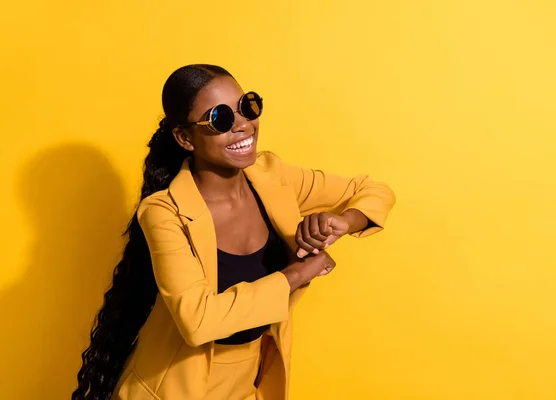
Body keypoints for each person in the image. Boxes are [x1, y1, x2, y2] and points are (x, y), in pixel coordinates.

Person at [72, 64, 396, 400]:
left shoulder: (274, 178)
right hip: (171, 391)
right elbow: (199, 321)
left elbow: (372, 189)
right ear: (185, 138)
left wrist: (345, 221)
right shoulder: (164, 213)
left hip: (245, 388)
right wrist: (297, 274)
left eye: (248, 107)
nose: (243, 124)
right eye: (220, 119)